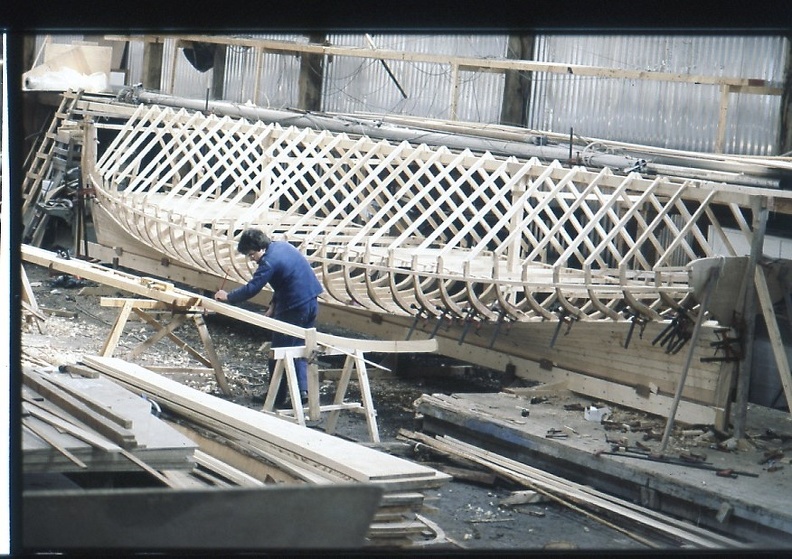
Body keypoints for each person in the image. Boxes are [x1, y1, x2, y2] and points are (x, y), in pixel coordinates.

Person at [215, 228, 323, 406]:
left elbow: (253, 288)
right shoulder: (282, 246)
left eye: (251, 254)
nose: (252, 259)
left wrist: (228, 297)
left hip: (294, 307)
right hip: (310, 301)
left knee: (279, 352)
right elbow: (286, 280)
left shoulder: (268, 262)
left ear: (260, 248)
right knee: (302, 348)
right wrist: (274, 305)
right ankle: (303, 392)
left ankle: (277, 396)